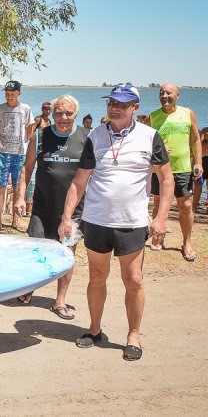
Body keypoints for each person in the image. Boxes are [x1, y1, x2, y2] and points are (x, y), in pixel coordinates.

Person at [59, 84, 174, 362]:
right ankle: (94, 329)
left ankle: (133, 335)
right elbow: (80, 181)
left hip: (132, 222)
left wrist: (160, 218)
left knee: (132, 279)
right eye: (111, 102)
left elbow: (167, 179)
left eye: (121, 104)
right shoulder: (95, 136)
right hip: (96, 220)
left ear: (134, 108)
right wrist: (66, 218)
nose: (114, 107)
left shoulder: (150, 136)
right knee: (97, 277)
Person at [16, 94, 88, 316]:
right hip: (42, 207)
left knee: (67, 256)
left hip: (73, 210)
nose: (63, 117)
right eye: (59, 112)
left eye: (68, 113)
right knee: (37, 252)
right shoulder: (40, 136)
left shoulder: (87, 138)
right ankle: (30, 286)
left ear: (76, 114)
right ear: (52, 113)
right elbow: (27, 168)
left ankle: (60, 300)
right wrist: (20, 197)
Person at [142, 83, 202, 261]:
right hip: (160, 170)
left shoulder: (187, 113)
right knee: (159, 204)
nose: (165, 96)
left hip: (183, 168)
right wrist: (157, 148)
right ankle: (158, 238)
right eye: (162, 93)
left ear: (177, 95)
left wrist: (198, 161)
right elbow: (143, 142)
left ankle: (187, 242)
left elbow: (196, 140)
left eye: (169, 93)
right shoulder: (153, 117)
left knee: (186, 206)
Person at [0, 80, 33, 232]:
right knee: (1, 186)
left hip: (19, 153)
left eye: (12, 93)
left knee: (17, 187)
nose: (9, 96)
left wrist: (24, 144)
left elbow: (30, 129)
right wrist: (2, 141)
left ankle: (15, 220)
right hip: (2, 153)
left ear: (19, 93)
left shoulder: (25, 108)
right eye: (7, 93)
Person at [194, 127, 208, 213]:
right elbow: (198, 143)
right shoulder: (204, 131)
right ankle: (195, 205)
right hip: (203, 161)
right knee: (198, 183)